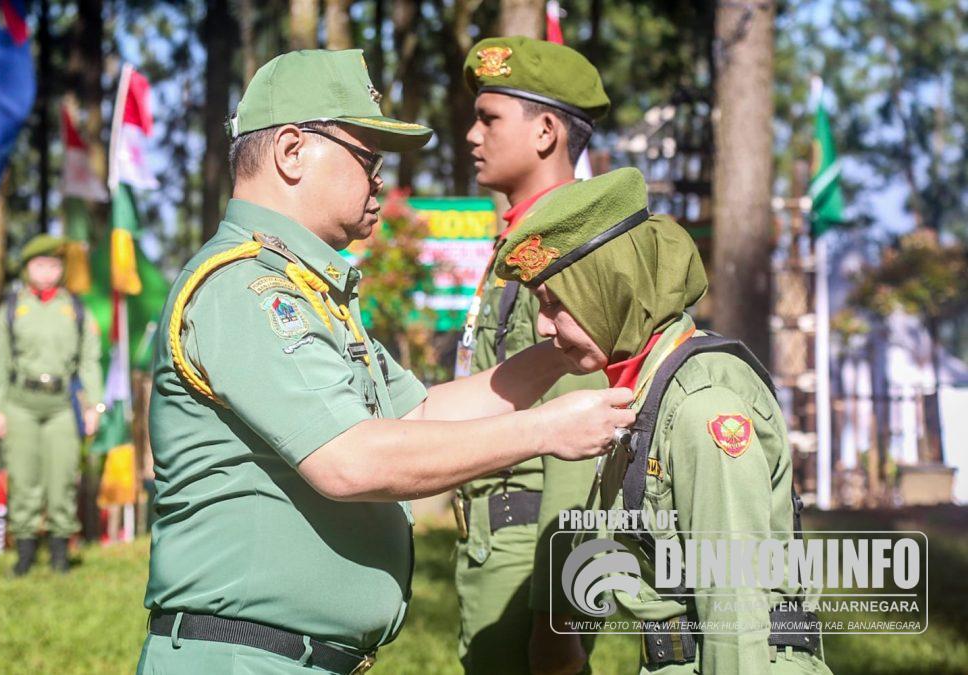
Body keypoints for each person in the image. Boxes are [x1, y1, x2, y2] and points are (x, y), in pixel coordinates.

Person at [137, 49, 636, 675]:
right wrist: (544, 431)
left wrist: (557, 357)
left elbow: (421, 414)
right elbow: (350, 460)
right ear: (292, 152)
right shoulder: (246, 289)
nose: (380, 180)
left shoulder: (303, 289)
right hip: (247, 658)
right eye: (367, 157)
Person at [494, 168, 833, 675]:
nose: (544, 325)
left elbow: (733, 613)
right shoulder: (645, 391)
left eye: (555, 303)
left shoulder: (703, 408)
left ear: (608, 292)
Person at [456, 35, 610, 675]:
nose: (471, 135)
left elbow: (586, 438)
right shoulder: (521, 244)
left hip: (536, 550)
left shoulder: (571, 249)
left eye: (488, 119)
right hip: (500, 542)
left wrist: (557, 617)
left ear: (546, 132)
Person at [0, 234, 103, 575]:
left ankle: (59, 555)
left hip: (61, 405)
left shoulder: (75, 308)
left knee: (62, 476)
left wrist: (93, 405)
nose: (47, 271)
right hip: (20, 403)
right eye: (39, 265)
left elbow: (90, 360)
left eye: (53, 265)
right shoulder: (11, 308)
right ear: (26, 269)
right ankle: (23, 554)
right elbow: (0, 363)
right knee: (23, 478)